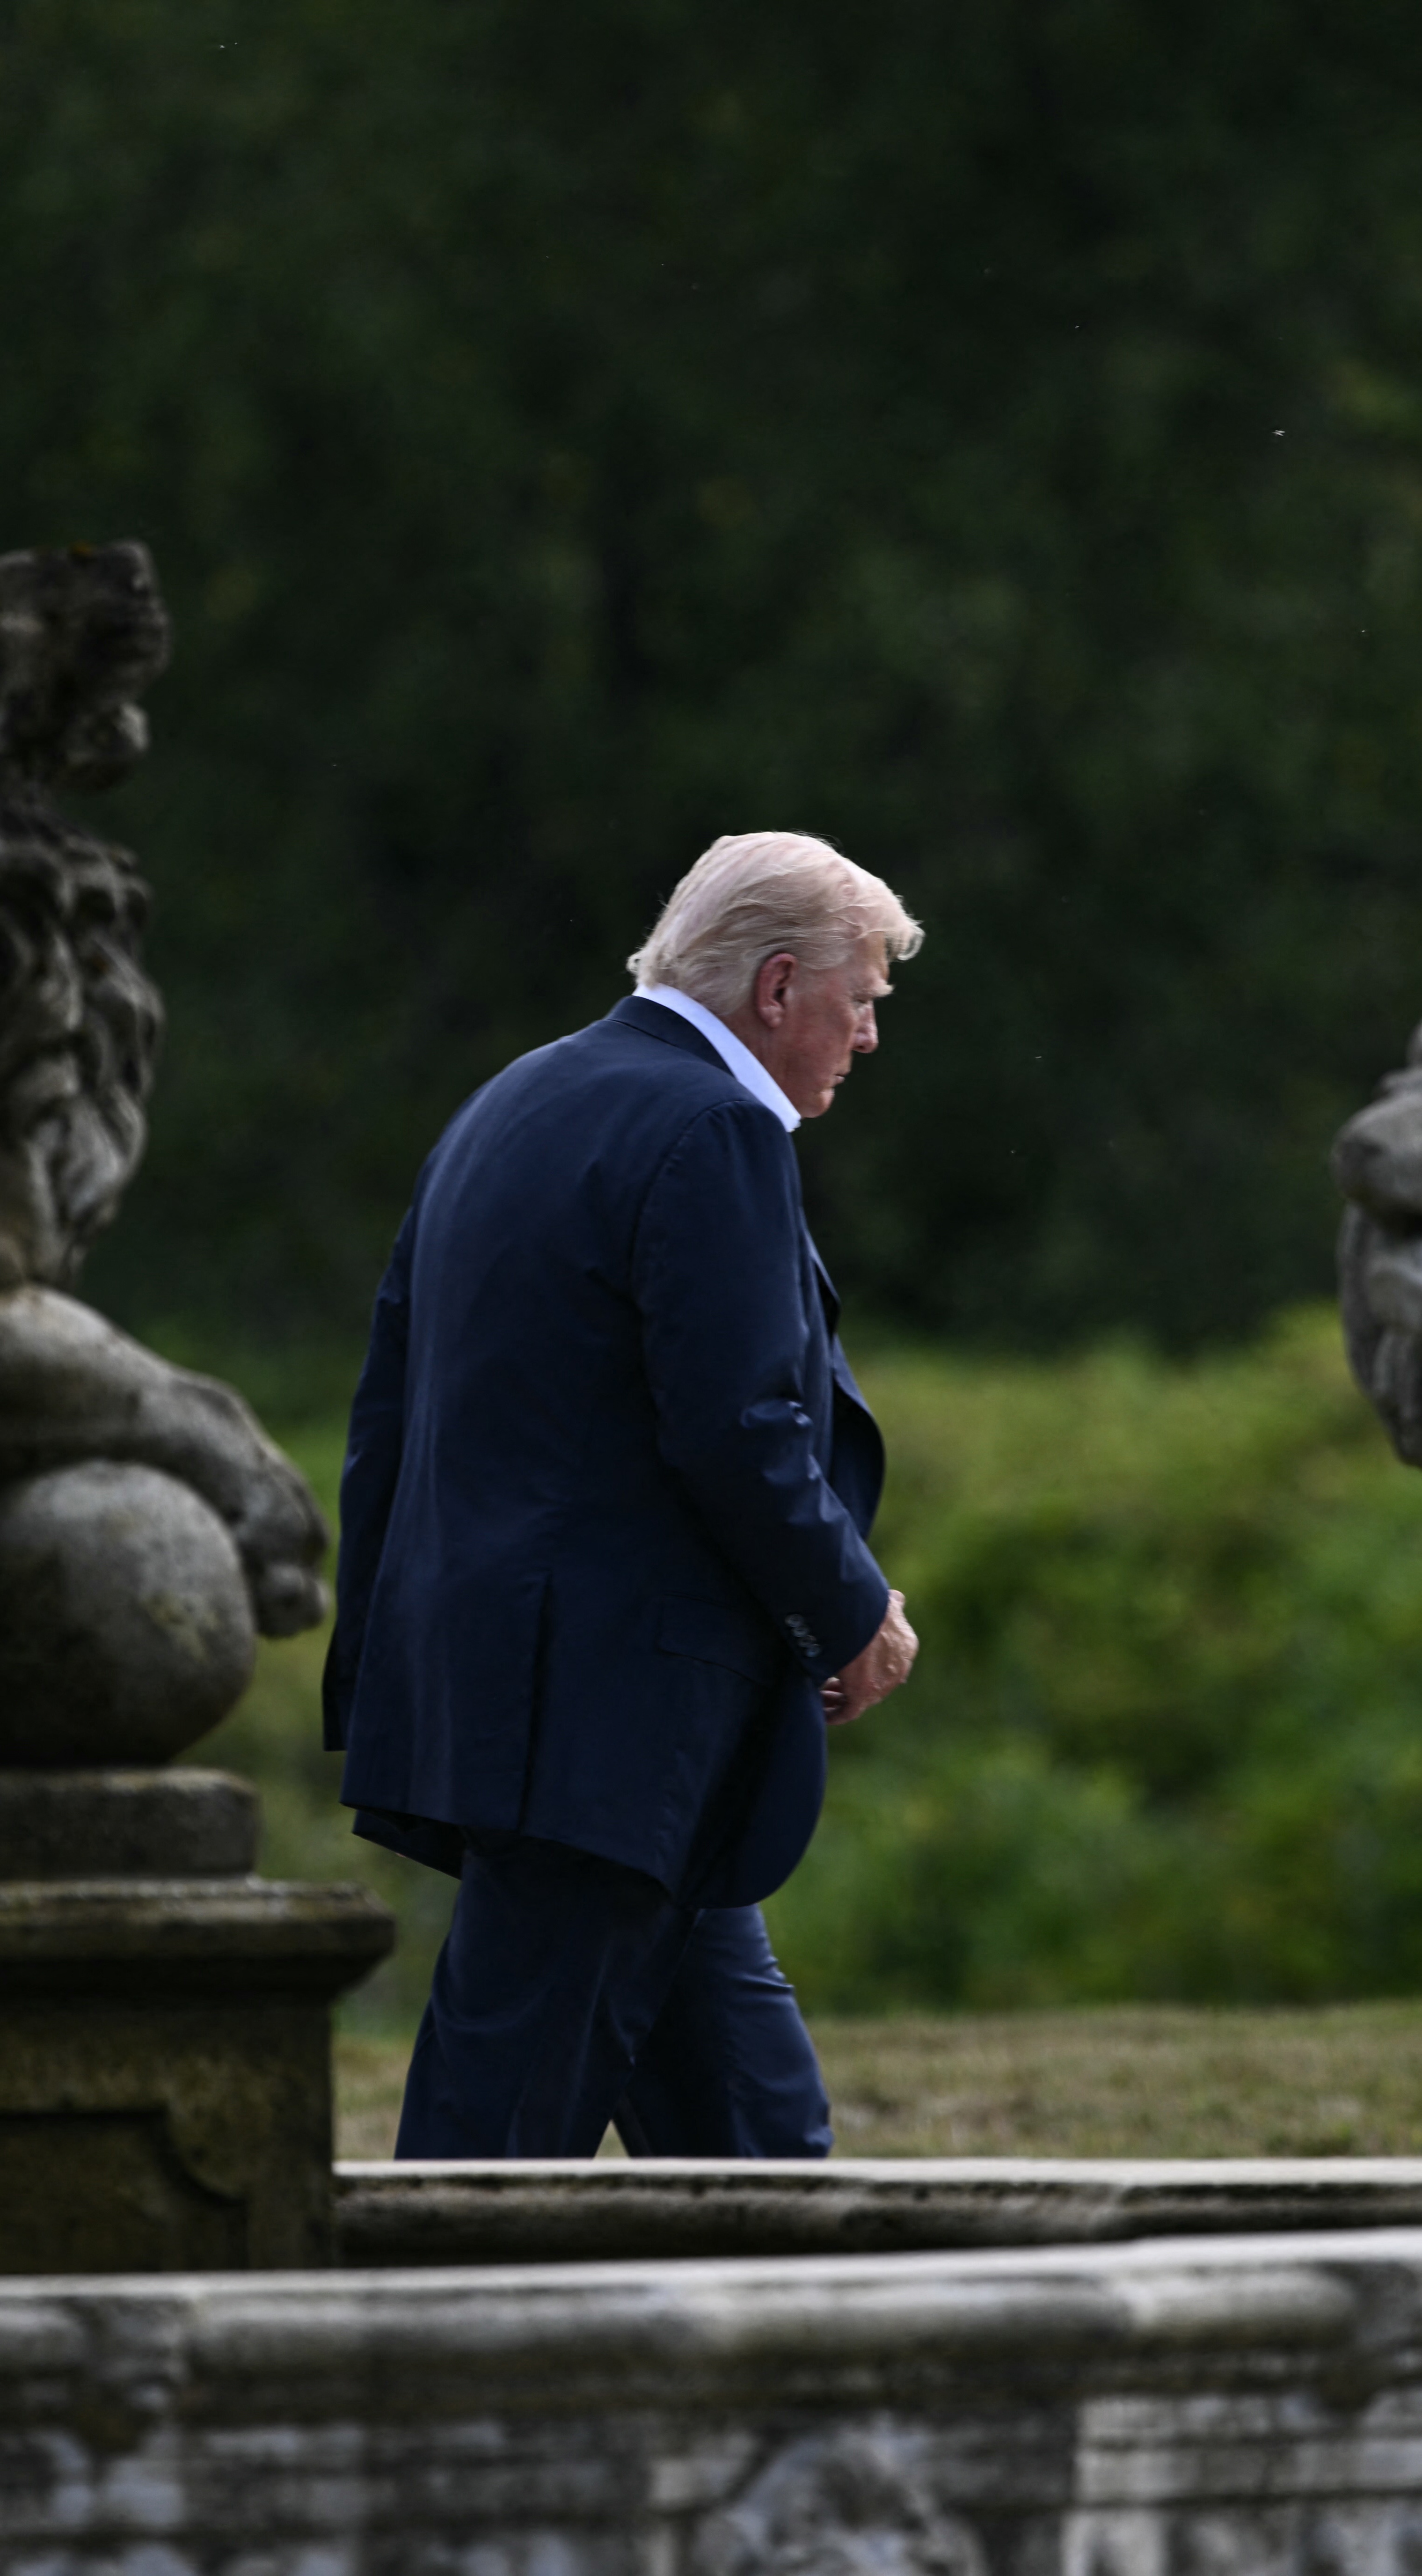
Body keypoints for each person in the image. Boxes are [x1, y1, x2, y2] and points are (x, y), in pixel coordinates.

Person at [324, 830, 923, 2159]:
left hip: (533, 1710)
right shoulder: (714, 1127)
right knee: (489, 2166)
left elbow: (389, 1412)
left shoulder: (513, 1100)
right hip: (606, 1730)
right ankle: (409, 2372)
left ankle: (805, 2366)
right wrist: (851, 1610)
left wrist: (384, 1650)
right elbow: (739, 1431)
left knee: (761, 2144)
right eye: (862, 998)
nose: (868, 1035)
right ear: (777, 990)